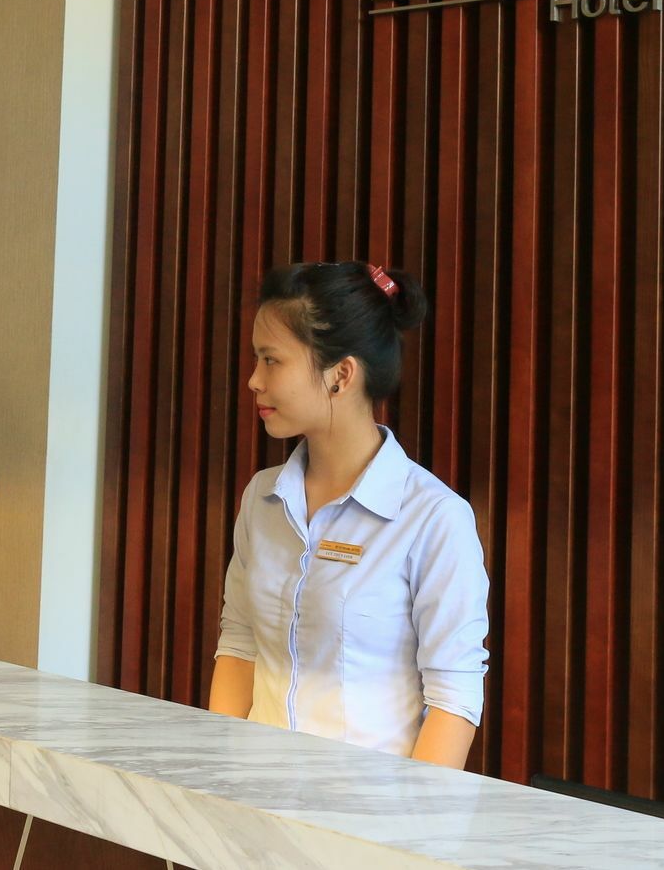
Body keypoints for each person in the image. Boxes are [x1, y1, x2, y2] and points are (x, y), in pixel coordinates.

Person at [207, 261, 488, 767]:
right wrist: (222, 776)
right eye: (255, 359)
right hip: (253, 802)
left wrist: (403, 832)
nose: (252, 380)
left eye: (272, 361)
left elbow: (453, 698)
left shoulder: (433, 517)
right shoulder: (261, 499)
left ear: (341, 375)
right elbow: (239, 643)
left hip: (368, 818)